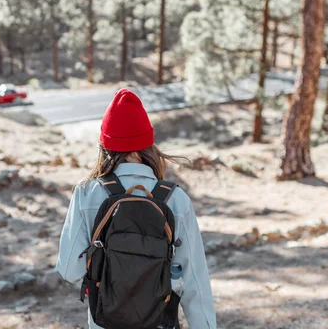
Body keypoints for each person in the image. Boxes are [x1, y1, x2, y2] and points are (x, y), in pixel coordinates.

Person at [56, 88, 217, 329]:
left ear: (105, 146)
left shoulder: (86, 193)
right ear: (148, 146)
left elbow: (70, 270)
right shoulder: (175, 199)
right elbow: (195, 281)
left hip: (106, 321)